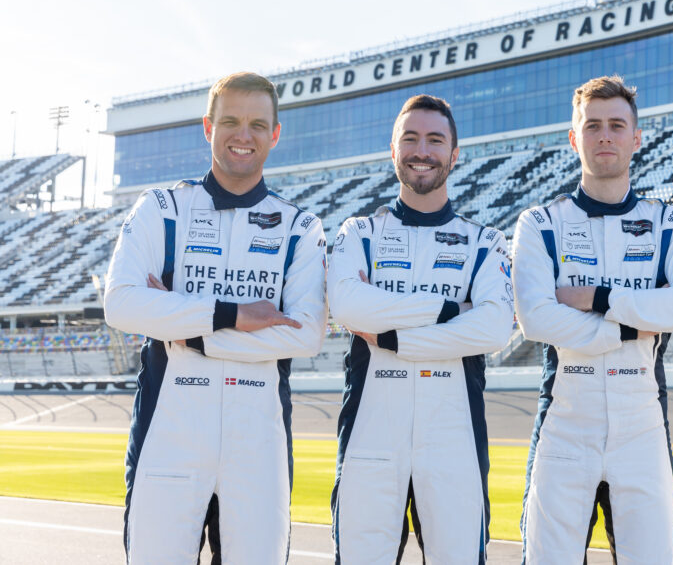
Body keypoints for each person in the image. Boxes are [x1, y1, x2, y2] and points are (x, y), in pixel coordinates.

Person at [104, 71, 328, 564]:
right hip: (169, 436)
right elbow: (121, 304)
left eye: (255, 124)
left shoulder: (301, 228)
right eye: (229, 120)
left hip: (258, 447)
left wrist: (186, 330)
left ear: (275, 134)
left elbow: (307, 335)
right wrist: (234, 315)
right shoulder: (161, 209)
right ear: (208, 127)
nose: (242, 135)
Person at [513, 76, 673, 564]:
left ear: (635, 138)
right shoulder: (540, 223)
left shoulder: (671, 222)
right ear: (574, 138)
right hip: (564, 419)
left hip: (642, 421)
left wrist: (595, 296)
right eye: (593, 126)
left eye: (616, 125)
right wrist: (632, 323)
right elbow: (536, 318)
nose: (605, 136)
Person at [327, 94, 514, 564]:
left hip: (455, 440)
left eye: (435, 139)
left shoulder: (484, 240)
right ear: (392, 149)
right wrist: (454, 310)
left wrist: (394, 337)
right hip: (371, 434)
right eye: (409, 138)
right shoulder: (359, 232)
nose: (421, 150)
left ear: (454, 153)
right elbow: (348, 304)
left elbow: (493, 329)